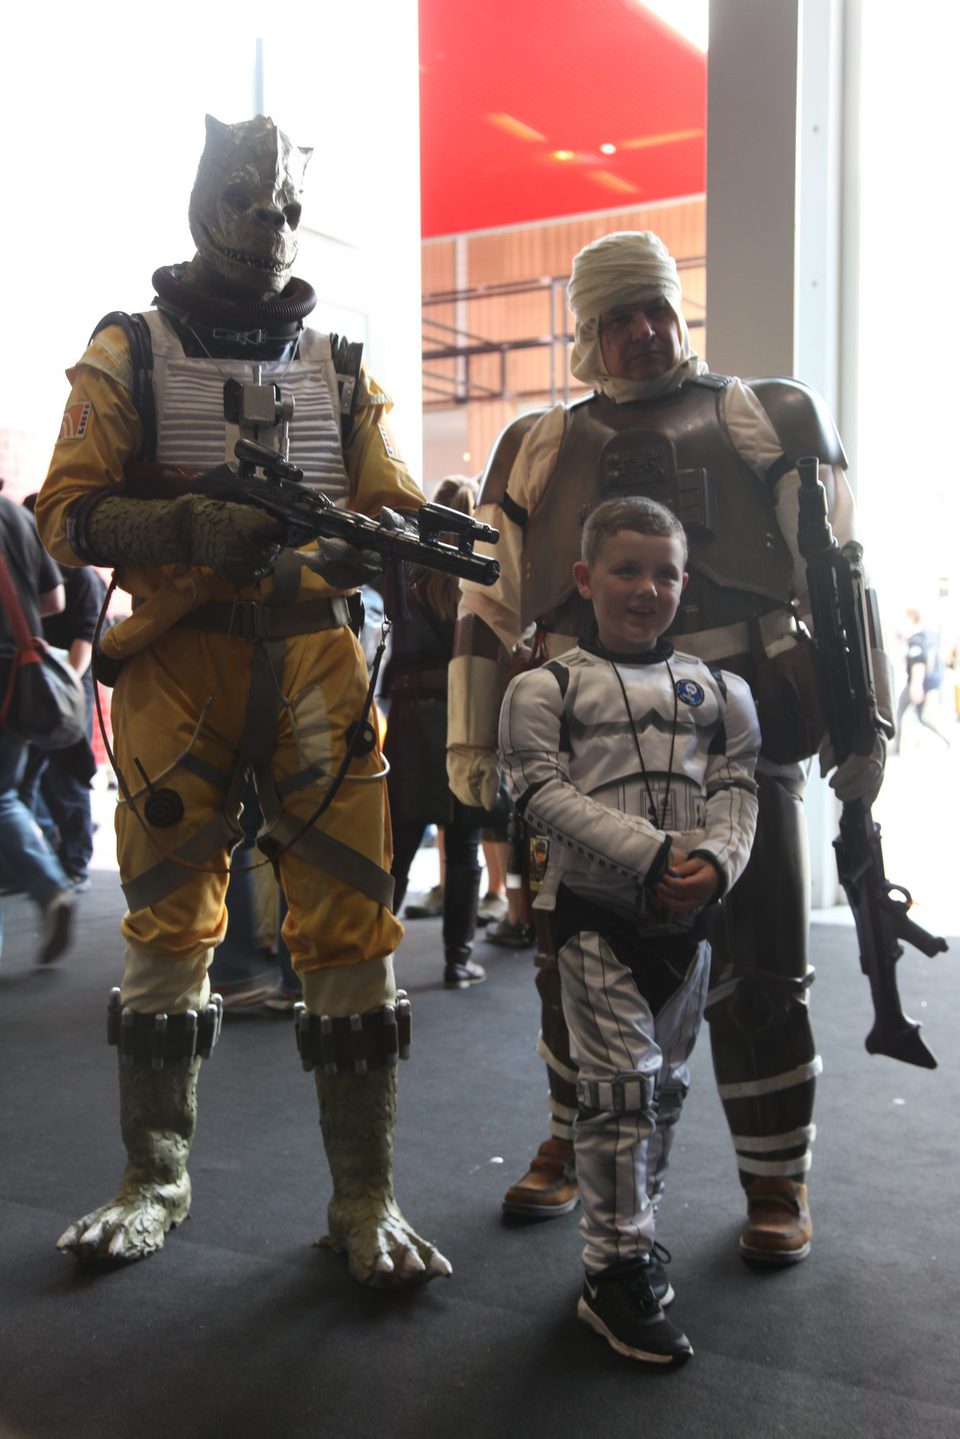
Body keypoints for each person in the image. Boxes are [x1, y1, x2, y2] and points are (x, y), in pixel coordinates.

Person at [36, 113, 449, 1287]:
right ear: (202, 195)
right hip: (181, 661)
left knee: (355, 927)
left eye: (285, 204)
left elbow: (392, 497)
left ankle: (365, 1191)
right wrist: (179, 525)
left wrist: (390, 537)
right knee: (170, 920)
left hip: (318, 661)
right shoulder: (129, 348)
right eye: (246, 193)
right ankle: (153, 1175)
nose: (269, 219)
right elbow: (68, 510)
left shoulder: (342, 364)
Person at [449, 230, 890, 1261]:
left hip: (738, 736)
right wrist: (474, 741)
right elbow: (486, 600)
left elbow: (838, 571)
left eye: (656, 309)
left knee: (761, 965)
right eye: (618, 316)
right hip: (585, 741)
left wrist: (862, 727)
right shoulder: (534, 445)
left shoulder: (764, 415)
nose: (644, 333)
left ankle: (775, 1176)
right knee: (576, 963)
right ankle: (573, 1135)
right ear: (586, 331)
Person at [500, 495, 759, 1364]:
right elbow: (539, 794)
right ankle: (611, 1271)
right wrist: (652, 856)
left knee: (664, 1091)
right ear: (584, 578)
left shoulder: (721, 691)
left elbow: (738, 788)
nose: (647, 588)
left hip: (688, 922)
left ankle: (635, 1243)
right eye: (626, 569)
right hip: (595, 920)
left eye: (665, 573)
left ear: (685, 583)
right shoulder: (545, 687)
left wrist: (718, 862)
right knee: (618, 1089)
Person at [382, 476, 489, 987]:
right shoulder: (476, 581)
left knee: (399, 843)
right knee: (463, 847)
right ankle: (458, 959)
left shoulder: (405, 571)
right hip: (465, 711)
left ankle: (374, 947)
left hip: (409, 720)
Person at [0, 488, 76, 964]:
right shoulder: (17, 517)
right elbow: (54, 600)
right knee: (7, 792)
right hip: (19, 676)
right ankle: (49, 887)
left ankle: (49, 885)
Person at [19, 493, 104, 892]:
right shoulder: (32, 573)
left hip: (69, 683)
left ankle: (75, 865)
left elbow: (83, 644)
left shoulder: (81, 578)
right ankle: (36, 863)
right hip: (39, 681)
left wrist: (62, 687)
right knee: (26, 779)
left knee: (68, 777)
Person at [894, 607, 949, 750]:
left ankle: (896, 747)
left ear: (912, 618)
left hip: (918, 682)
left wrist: (916, 686)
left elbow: (918, 664)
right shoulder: (928, 635)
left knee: (901, 711)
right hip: (931, 683)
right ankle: (947, 739)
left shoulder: (916, 640)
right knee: (923, 716)